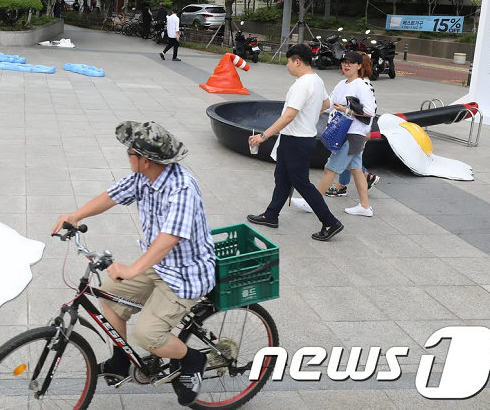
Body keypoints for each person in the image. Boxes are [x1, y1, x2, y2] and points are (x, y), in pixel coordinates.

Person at [52, 121, 216, 406]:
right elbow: (111, 196)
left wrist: (132, 269)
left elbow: (169, 239)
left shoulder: (182, 188)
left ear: (145, 160)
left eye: (130, 152)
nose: (127, 155)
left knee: (146, 336)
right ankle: (120, 362)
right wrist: (75, 216)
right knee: (108, 294)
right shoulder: (144, 176)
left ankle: (193, 360)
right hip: (159, 264)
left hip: (184, 274)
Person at [247, 44, 344, 241]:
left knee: (302, 183)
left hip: (296, 141)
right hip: (298, 138)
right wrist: (308, 115)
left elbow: (289, 115)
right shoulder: (316, 80)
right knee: (282, 177)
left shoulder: (302, 84)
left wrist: (263, 136)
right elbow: (325, 104)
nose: (287, 66)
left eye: (288, 62)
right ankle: (271, 215)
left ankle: (330, 222)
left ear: (297, 61)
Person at [291, 50, 377, 217]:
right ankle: (365, 207)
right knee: (357, 170)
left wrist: (346, 110)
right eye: (344, 62)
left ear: (359, 66)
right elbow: (329, 104)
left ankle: (312, 202)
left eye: (350, 63)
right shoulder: (342, 84)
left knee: (330, 169)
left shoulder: (361, 85)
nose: (346, 65)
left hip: (353, 134)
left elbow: (370, 111)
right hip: (346, 132)